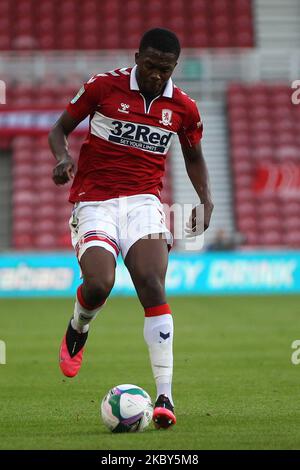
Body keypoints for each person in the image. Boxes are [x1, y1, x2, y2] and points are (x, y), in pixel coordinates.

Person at [48, 28, 213, 430]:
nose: (157, 75)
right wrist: (62, 158)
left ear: (175, 65)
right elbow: (59, 130)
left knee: (152, 283)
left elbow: (194, 157)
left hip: (144, 202)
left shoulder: (184, 108)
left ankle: (165, 396)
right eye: (151, 65)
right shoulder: (103, 87)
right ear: (137, 56)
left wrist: (205, 200)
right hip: (95, 201)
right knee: (100, 283)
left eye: (166, 68)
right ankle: (78, 327)